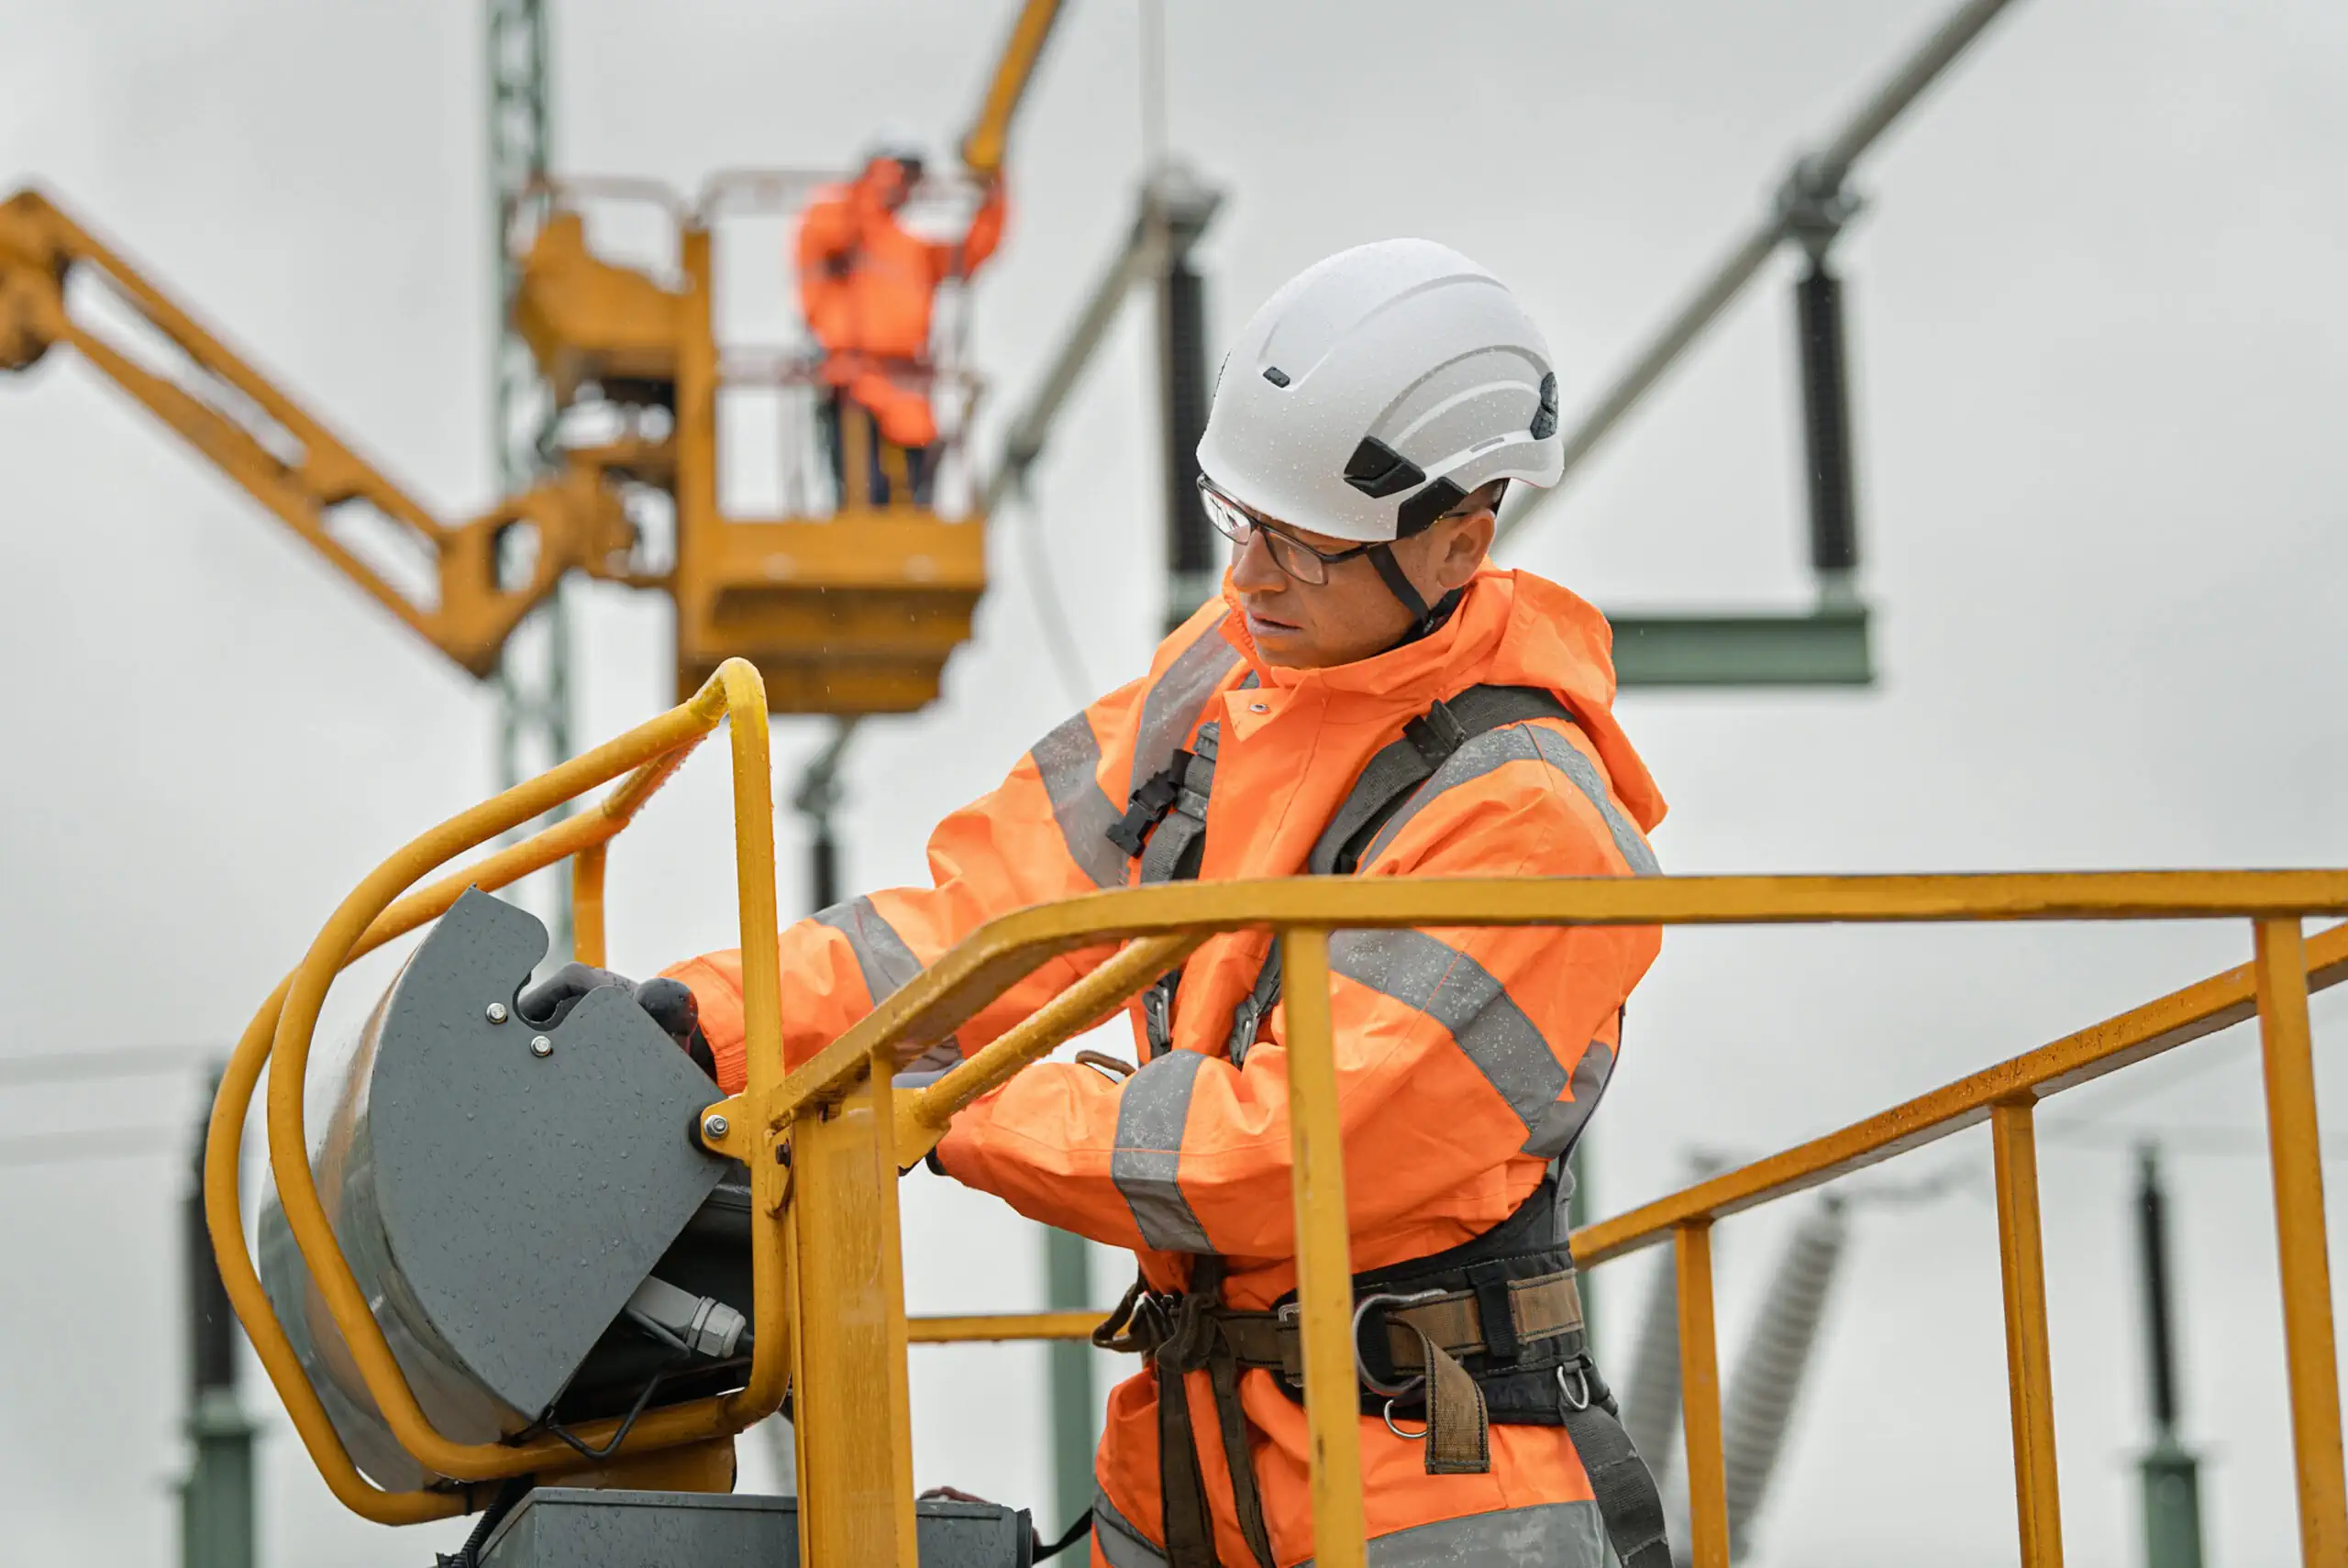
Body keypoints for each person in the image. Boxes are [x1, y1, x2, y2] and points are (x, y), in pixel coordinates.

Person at [559, 239, 1672, 1567]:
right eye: (1236, 521)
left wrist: (922, 1099)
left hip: (1427, 1489)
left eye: (1300, 547)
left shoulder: (1530, 825)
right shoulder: (1235, 671)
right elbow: (983, 923)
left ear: (1456, 542)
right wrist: (709, 1022)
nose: (1251, 577)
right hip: (1195, 1460)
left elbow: (1267, 1162)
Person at [796, 132, 1005, 508]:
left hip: (908, 397)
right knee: (864, 499)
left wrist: (994, 189)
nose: (908, 187)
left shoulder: (911, 249)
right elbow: (832, 230)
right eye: (902, 173)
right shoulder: (834, 221)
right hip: (853, 387)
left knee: (915, 506)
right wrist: (878, 185)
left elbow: (973, 250)